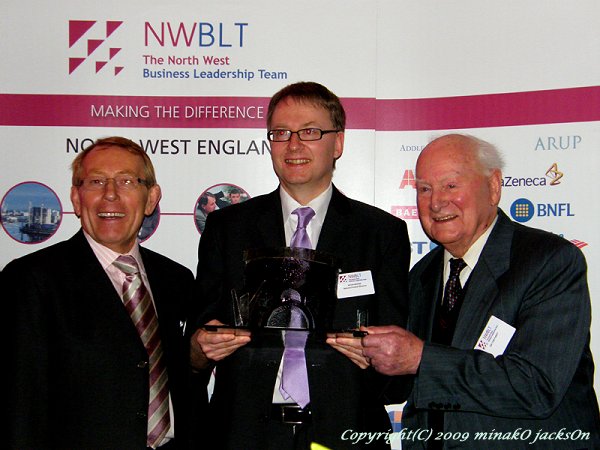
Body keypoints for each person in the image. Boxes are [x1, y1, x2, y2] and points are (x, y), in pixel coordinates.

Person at [189, 81, 411, 449]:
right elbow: (196, 347)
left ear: (337, 143)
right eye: (280, 133)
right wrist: (200, 348)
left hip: (346, 430)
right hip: (244, 432)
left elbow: (396, 355)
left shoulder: (381, 233)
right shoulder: (227, 228)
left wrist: (374, 356)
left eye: (310, 131)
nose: (293, 145)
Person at [361, 134, 600, 449]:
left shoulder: (549, 261)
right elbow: (419, 392)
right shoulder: (423, 275)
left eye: (451, 186)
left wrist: (420, 358)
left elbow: (536, 386)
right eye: (424, 189)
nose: (436, 202)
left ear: (493, 186)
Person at [5, 137, 198, 449]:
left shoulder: (176, 279)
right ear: (76, 199)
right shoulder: (30, 279)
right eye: (96, 181)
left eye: (126, 181)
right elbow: (17, 403)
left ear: (151, 198)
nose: (111, 194)